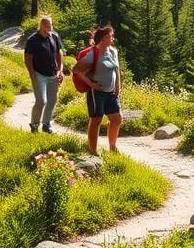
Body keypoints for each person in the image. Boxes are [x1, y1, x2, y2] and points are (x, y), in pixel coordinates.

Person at [73, 24, 122, 155]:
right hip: (97, 93)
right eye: (111, 36)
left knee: (117, 119)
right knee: (96, 120)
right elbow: (76, 70)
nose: (113, 38)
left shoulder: (113, 51)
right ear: (103, 38)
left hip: (111, 92)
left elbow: (116, 70)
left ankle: (112, 147)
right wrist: (91, 84)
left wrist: (118, 86)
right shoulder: (92, 54)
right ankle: (93, 151)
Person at [24, 15, 64, 133]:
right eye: (46, 25)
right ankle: (34, 124)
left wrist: (60, 70)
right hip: (39, 74)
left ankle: (46, 124)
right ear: (41, 25)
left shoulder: (54, 37)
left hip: (53, 73)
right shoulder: (33, 39)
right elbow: (27, 58)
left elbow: (59, 54)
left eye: (50, 24)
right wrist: (32, 74)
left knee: (52, 100)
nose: (49, 27)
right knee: (41, 100)